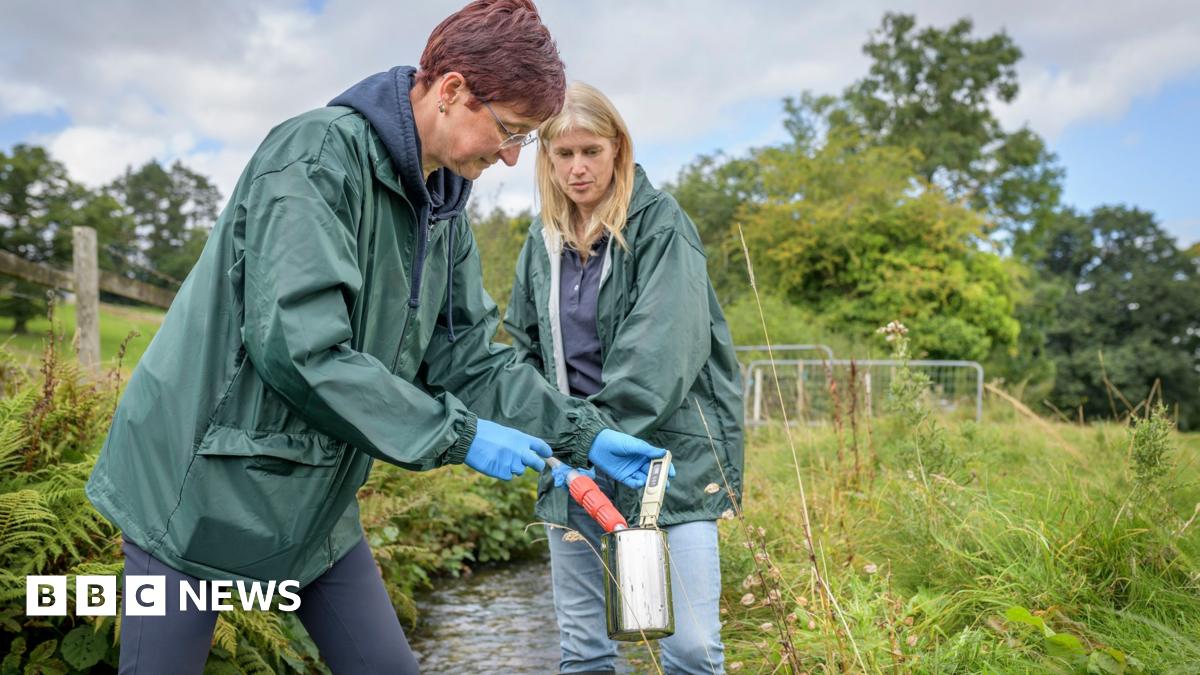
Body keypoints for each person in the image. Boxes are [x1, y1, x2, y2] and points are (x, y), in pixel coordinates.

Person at [85, 4, 666, 673]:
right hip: (195, 483)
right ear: (450, 91)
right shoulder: (313, 158)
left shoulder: (443, 202)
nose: (509, 157)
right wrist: (462, 436)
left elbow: (468, 353)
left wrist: (580, 432)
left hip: (315, 499)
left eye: (524, 141)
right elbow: (300, 352)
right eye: (508, 131)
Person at [504, 82, 745, 674]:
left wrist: (590, 438)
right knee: (584, 653)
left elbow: (659, 354)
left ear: (619, 150)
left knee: (691, 649)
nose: (578, 168)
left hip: (668, 461)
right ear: (547, 160)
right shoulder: (541, 245)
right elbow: (523, 351)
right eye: (563, 154)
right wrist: (555, 444)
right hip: (574, 470)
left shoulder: (661, 228)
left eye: (591, 151)